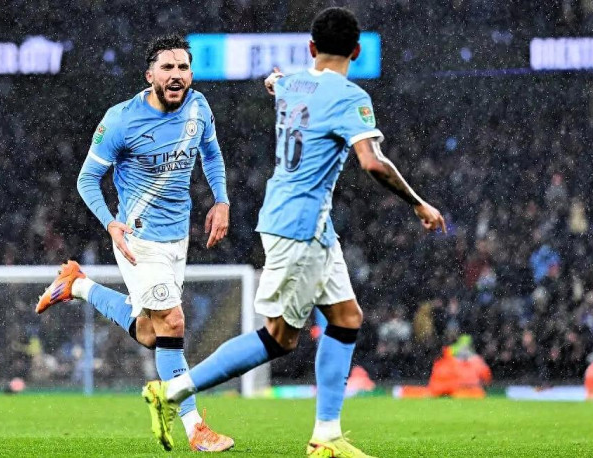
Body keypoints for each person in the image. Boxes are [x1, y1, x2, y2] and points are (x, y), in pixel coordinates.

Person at [143, 8, 446, 457]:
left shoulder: (293, 84)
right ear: (356, 52)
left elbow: (278, 82)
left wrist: (276, 81)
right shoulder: (350, 96)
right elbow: (371, 161)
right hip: (298, 226)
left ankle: (326, 436)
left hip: (308, 223)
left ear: (311, 48)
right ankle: (170, 391)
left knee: (347, 318)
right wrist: (419, 203)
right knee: (279, 337)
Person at [35, 34, 234, 452]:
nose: (177, 75)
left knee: (151, 334)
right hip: (137, 240)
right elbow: (87, 179)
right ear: (150, 76)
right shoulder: (121, 120)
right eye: (167, 68)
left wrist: (221, 200)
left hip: (177, 238)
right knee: (173, 322)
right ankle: (195, 427)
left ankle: (77, 285)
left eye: (183, 67)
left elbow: (212, 154)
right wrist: (110, 223)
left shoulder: (199, 107)